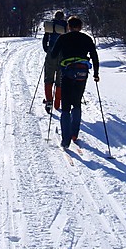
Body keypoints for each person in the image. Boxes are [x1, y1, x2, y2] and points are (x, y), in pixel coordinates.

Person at [50, 16, 99, 149]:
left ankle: (66, 140)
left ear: (68, 27)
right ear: (81, 27)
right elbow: (94, 56)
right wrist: (96, 74)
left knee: (65, 106)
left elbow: (53, 55)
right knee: (76, 103)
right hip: (82, 74)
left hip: (67, 73)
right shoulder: (87, 38)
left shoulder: (63, 38)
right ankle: (74, 134)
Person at [42, 10, 67, 114]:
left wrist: (46, 49)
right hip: (62, 54)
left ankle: (49, 102)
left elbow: (45, 38)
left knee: (49, 78)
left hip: (51, 52)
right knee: (60, 79)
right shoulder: (66, 25)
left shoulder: (50, 25)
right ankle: (57, 103)